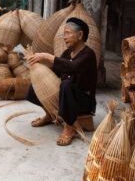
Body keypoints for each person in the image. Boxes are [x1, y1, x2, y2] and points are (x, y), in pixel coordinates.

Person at [26, 17, 97, 146]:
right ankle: (49, 114)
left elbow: (72, 67)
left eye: (67, 33)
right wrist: (39, 69)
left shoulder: (88, 54)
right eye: (64, 34)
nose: (64, 37)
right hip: (67, 95)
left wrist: (47, 56)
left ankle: (69, 127)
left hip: (83, 100)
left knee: (66, 84)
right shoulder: (67, 53)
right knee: (36, 86)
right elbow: (57, 70)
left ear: (80, 35)